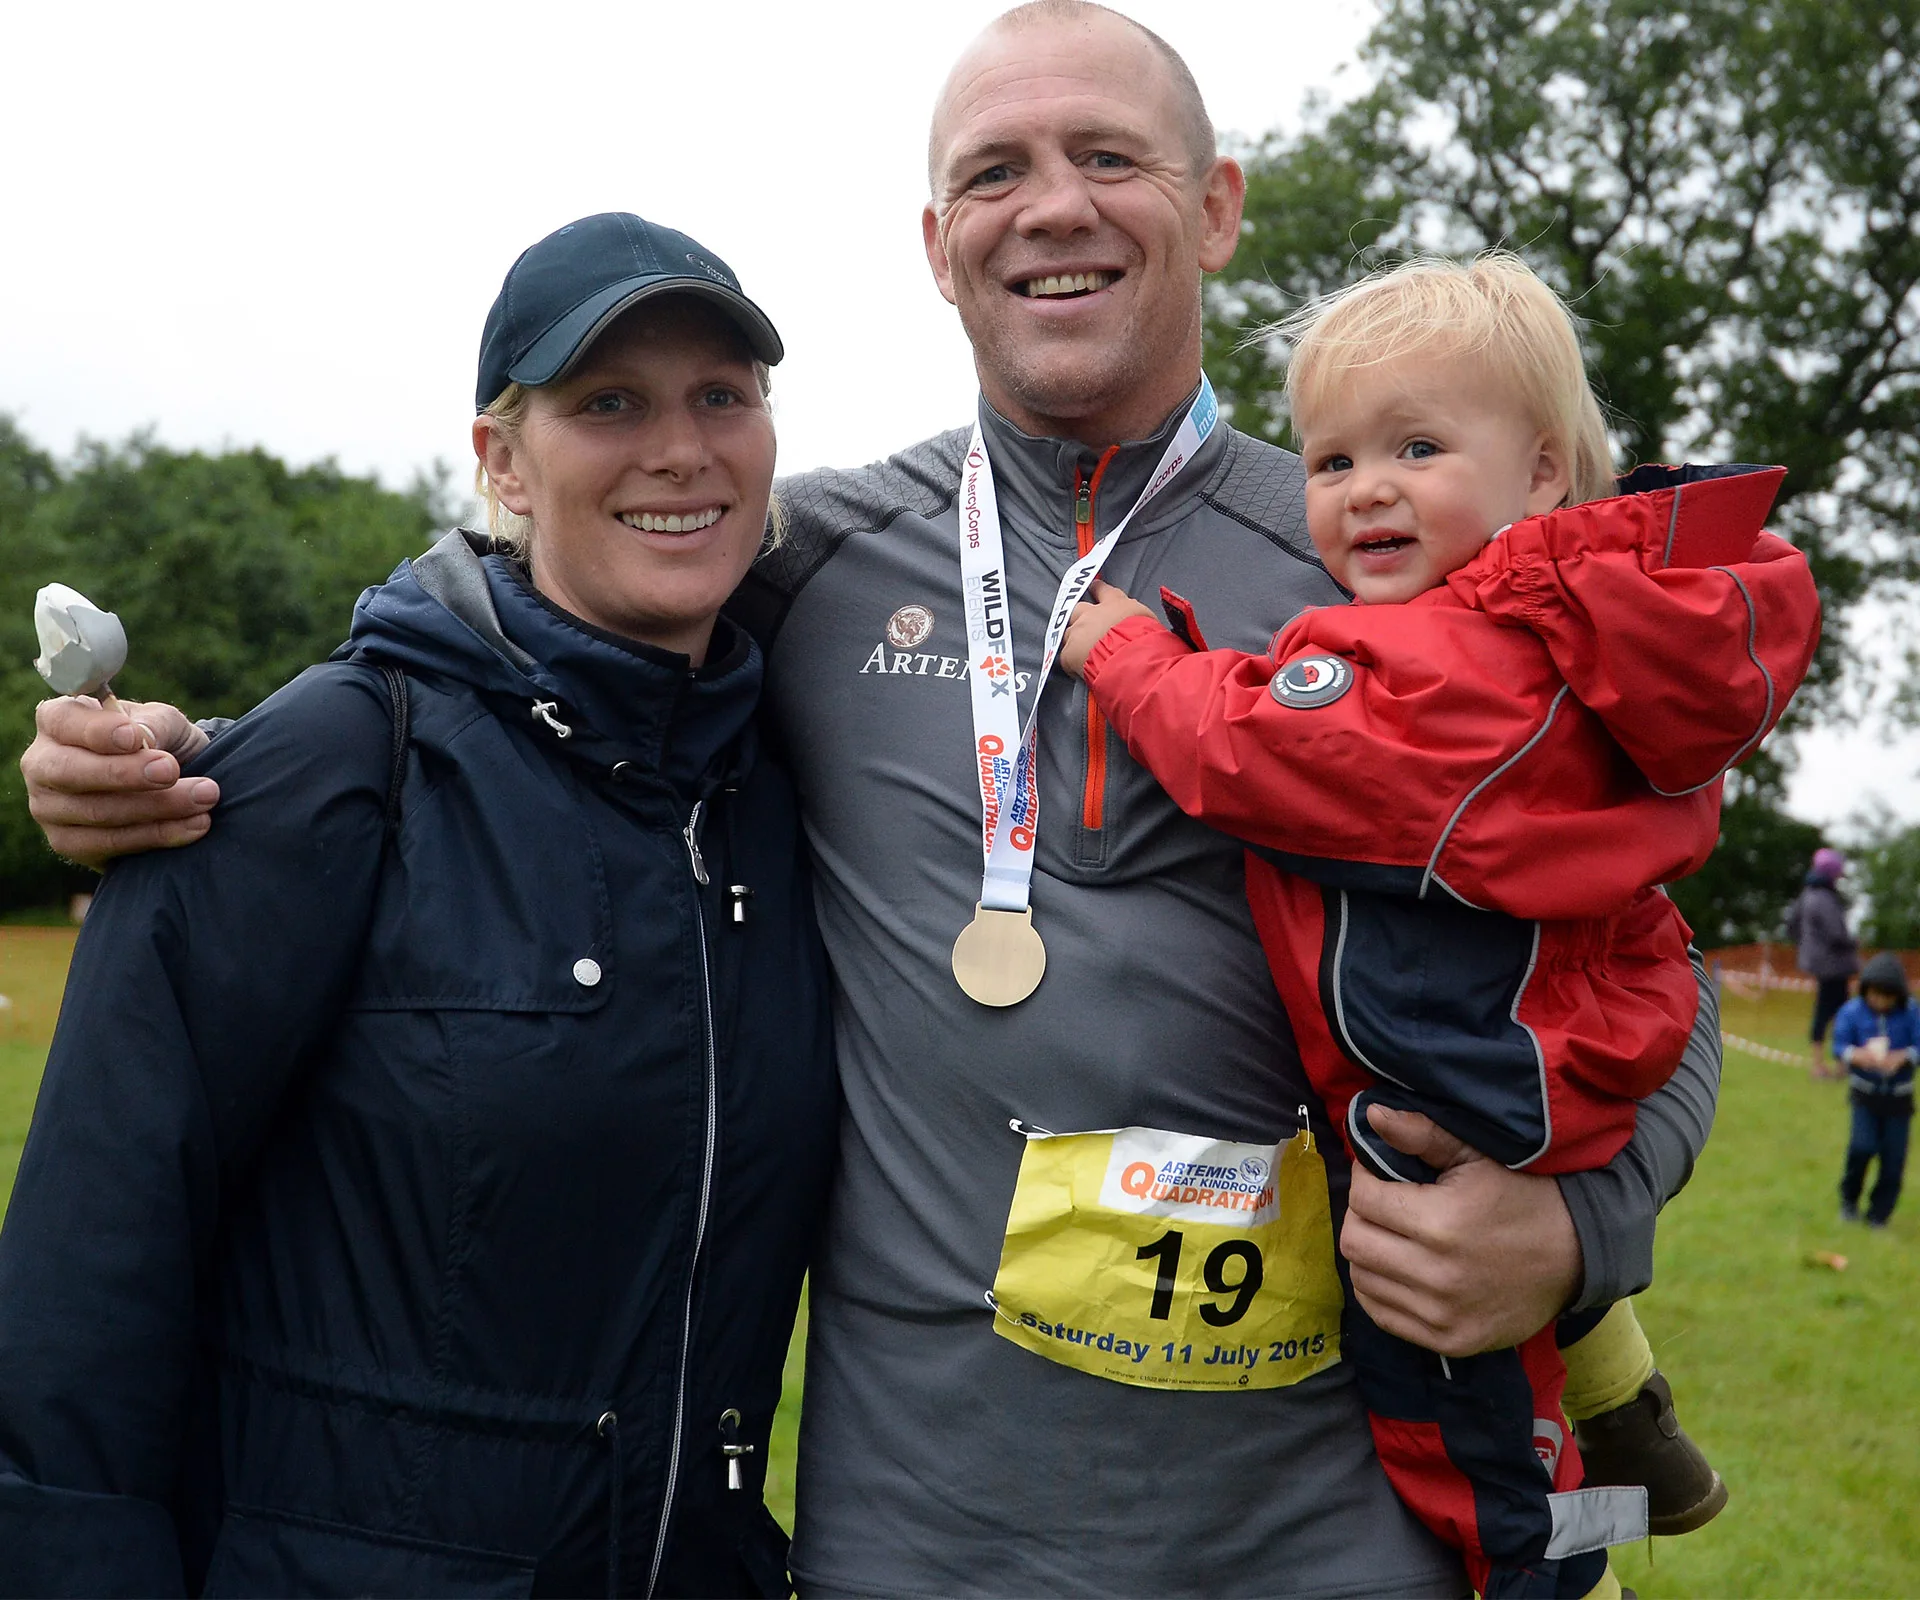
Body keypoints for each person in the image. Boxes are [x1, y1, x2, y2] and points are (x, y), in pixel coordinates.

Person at [20, 6, 1730, 1594]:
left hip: (1329, 1533)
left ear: (1214, 208)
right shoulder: (817, 558)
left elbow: (1642, 944)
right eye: (994, 172)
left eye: (1108, 159)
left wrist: (1574, 1224)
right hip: (913, 1539)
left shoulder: (1393, 557)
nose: (1049, 206)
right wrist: (204, 759)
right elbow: (519, 625)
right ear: (937, 248)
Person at [0, 213, 838, 1596]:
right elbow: (98, 1242)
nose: (680, 448)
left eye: (721, 398)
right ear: (500, 460)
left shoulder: (780, 785)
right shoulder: (338, 756)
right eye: (608, 403)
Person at [1058, 254, 1819, 1595]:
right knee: (1516, 1348)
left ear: (1538, 476)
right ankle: (1629, 1420)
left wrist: (1132, 657)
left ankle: (1579, 1558)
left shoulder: (1458, 656)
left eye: (1417, 445)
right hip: (1546, 1042)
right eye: (1333, 457)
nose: (1366, 488)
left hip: (1448, 1092)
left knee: (1459, 1450)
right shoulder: (1555, 631)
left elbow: (1259, 748)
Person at [1830, 951, 1917, 1227]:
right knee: (1861, 1148)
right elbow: (1839, 1046)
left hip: (1899, 1099)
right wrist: (1856, 1056)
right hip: (1864, 1095)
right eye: (1874, 994)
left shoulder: (1912, 1013)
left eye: (1887, 995)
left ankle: (1879, 1215)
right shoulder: (1851, 1012)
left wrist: (1903, 1057)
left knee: (1893, 1160)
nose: (1879, 1001)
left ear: (1898, 995)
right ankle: (1849, 1201)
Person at [1786, 846, 1860, 1078]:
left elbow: (1792, 928)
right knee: (1838, 1014)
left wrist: (1807, 947)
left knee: (1826, 1012)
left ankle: (1827, 1064)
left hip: (1818, 964)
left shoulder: (1806, 895)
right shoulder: (1825, 898)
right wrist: (1853, 942)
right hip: (1834, 967)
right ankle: (1832, 1066)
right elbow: (1836, 934)